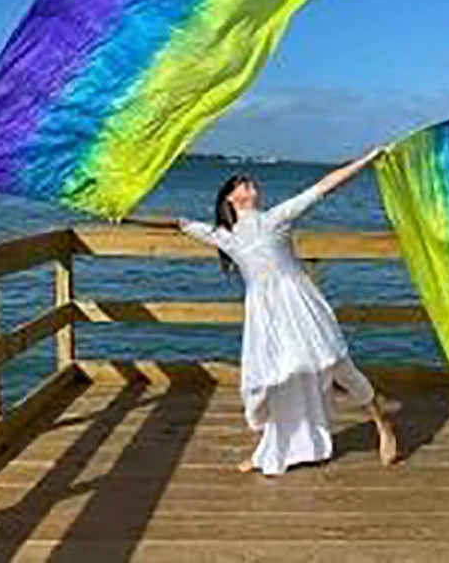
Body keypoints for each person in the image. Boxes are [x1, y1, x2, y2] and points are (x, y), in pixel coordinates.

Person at [131, 148, 398, 476]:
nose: (248, 184)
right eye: (240, 184)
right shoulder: (224, 237)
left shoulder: (277, 217)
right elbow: (177, 223)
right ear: (230, 198)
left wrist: (369, 158)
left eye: (249, 181)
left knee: (335, 362)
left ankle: (382, 424)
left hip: (299, 302)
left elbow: (326, 185)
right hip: (265, 313)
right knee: (273, 377)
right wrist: (127, 217)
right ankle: (271, 449)